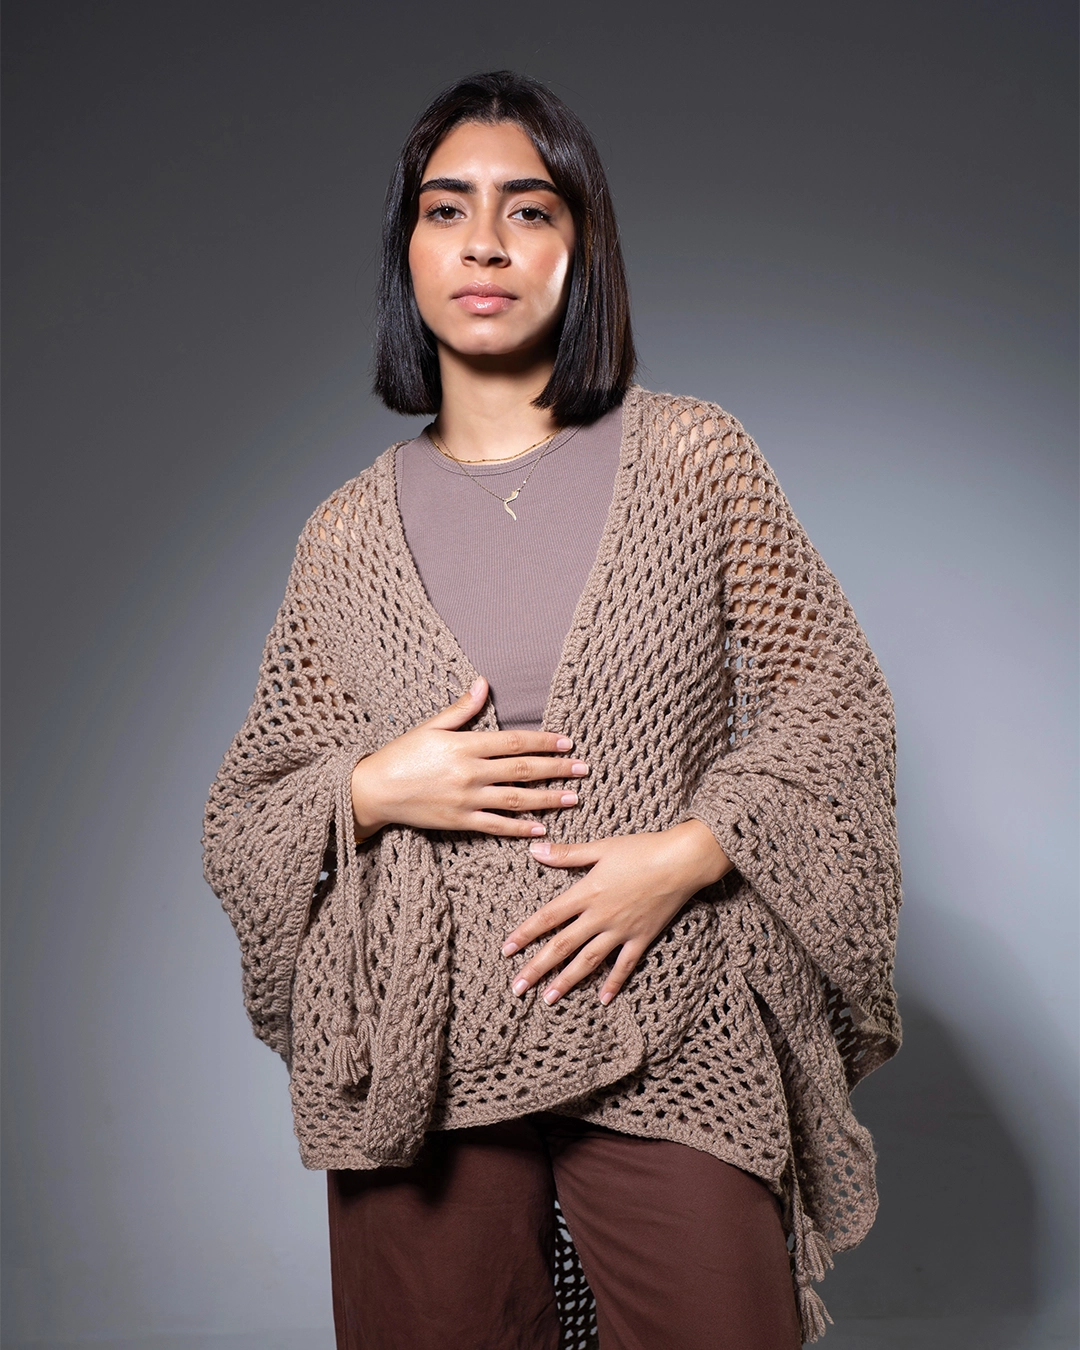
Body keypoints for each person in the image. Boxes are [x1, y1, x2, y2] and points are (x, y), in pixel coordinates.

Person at [203, 70, 902, 1350]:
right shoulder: (343, 537)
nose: (483, 242)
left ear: (582, 249)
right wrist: (369, 790)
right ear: (406, 251)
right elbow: (245, 818)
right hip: (420, 1052)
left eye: (528, 210)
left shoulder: (696, 459)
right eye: (444, 210)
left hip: (674, 1017)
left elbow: (835, 710)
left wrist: (686, 858)